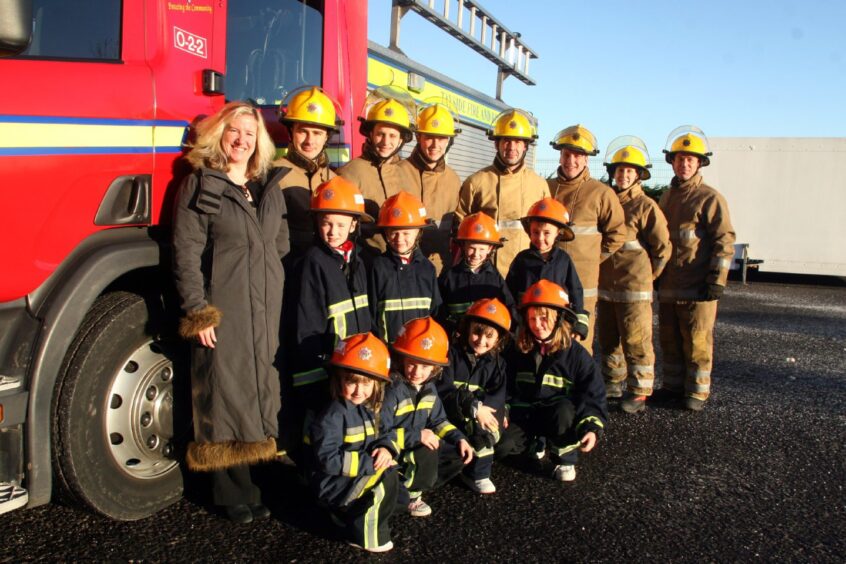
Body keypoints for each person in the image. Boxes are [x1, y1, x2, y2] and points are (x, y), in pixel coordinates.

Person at [172, 100, 288, 523]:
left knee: (260, 385)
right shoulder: (202, 185)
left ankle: (255, 482)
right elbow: (186, 251)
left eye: (250, 134)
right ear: (219, 135)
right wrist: (198, 309)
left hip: (264, 302)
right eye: (234, 131)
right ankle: (228, 491)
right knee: (225, 390)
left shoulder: (267, 185)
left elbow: (280, 245)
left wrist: (275, 287)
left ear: (261, 142)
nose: (242, 140)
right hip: (226, 304)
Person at [289, 176, 373, 461]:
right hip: (330, 370)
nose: (332, 231)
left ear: (353, 225)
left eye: (340, 225)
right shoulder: (312, 262)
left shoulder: (358, 260)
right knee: (327, 433)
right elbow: (306, 324)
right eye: (326, 223)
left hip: (354, 366)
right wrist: (321, 372)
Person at [658, 126, 736, 411]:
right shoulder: (667, 198)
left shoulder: (710, 198)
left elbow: (724, 240)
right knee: (670, 340)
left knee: (697, 342)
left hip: (697, 287)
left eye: (691, 159)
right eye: (680, 158)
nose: (685, 163)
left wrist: (717, 280)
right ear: (672, 161)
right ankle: (673, 386)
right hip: (669, 284)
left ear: (701, 162)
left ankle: (697, 392)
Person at [502, 280, 607, 482]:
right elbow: (502, 386)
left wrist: (592, 428)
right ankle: (535, 443)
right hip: (525, 414)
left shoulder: (576, 355)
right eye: (532, 318)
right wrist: (503, 410)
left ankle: (564, 457)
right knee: (503, 445)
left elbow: (593, 394)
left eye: (544, 318)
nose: (538, 325)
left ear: (559, 318)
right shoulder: (516, 350)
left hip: (557, 415)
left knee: (564, 412)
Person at [597, 136, 672, 412]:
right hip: (606, 286)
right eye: (619, 170)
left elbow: (662, 248)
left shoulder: (646, 206)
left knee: (636, 340)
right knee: (608, 340)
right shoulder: (607, 201)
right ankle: (612, 382)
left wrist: (649, 277)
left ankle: (639, 391)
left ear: (639, 175)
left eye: (630, 171)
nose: (623, 175)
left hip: (634, 288)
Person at [310, 332, 398, 553]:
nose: (360, 391)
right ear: (338, 380)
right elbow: (327, 460)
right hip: (332, 484)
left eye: (367, 383)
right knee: (382, 483)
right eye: (351, 382)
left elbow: (384, 433)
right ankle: (364, 535)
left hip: (355, 474)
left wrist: (385, 448)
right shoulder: (332, 415)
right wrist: (370, 464)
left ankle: (350, 515)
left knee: (396, 490)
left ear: (377, 384)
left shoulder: (369, 407)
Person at [381, 317, 473, 517]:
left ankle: (410, 487)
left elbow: (439, 421)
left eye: (425, 367)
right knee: (427, 451)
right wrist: (418, 436)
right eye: (412, 364)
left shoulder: (429, 389)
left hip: (414, 447)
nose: (417, 372)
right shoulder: (392, 390)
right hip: (394, 451)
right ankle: (408, 495)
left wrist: (460, 439)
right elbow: (380, 432)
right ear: (402, 359)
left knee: (458, 454)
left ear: (435, 368)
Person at [548, 124, 626, 355]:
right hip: (549, 278)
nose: (571, 160)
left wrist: (593, 257)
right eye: (567, 154)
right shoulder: (547, 188)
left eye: (578, 155)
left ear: (587, 159)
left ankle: (578, 389)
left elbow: (617, 233)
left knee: (579, 341)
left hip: (583, 282)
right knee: (546, 334)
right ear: (560, 155)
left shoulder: (601, 193)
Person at [455, 108, 550, 278]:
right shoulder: (476, 182)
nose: (511, 147)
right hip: (484, 272)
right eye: (506, 140)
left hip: (525, 273)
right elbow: (460, 228)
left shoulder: (539, 185)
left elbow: (547, 231)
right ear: (496, 143)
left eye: (518, 141)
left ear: (526, 145)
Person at [436, 298, 512, 495]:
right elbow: (444, 390)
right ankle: (468, 469)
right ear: (467, 329)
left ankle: (478, 474)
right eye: (477, 332)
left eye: (489, 336)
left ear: (498, 339)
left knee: (486, 432)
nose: (481, 340)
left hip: (479, 415)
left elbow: (497, 396)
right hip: (452, 414)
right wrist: (474, 406)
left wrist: (488, 413)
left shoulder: (498, 364)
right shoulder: (451, 355)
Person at [337, 87, 418, 260]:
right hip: (364, 264)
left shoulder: (408, 174)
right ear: (370, 134)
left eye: (392, 135)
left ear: (401, 139)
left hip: (399, 266)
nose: (386, 142)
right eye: (380, 134)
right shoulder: (349, 172)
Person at [368, 191, 442, 343]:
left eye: (406, 233)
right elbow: (370, 314)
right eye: (393, 233)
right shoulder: (378, 267)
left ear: (419, 232)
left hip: (419, 350)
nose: (399, 239)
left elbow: (436, 312)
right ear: (385, 233)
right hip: (388, 349)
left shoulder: (427, 269)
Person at [506, 197, 586, 336]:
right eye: (536, 232)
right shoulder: (522, 260)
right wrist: (514, 320)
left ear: (558, 233)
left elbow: (576, 292)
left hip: (557, 323)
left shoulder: (564, 260)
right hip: (528, 323)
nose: (540, 238)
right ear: (529, 231)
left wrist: (579, 324)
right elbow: (509, 292)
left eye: (547, 233)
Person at [397, 102, 462, 273]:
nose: (435, 145)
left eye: (441, 138)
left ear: (449, 141)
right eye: (429, 137)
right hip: (403, 268)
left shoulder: (453, 180)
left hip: (439, 269)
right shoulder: (397, 172)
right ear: (419, 137)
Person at [437, 212, 514, 335]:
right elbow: (439, 311)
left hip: (485, 341)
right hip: (456, 340)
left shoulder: (495, 279)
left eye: (482, 249)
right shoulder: (449, 278)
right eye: (472, 248)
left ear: (490, 249)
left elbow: (509, 308)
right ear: (463, 245)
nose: (476, 254)